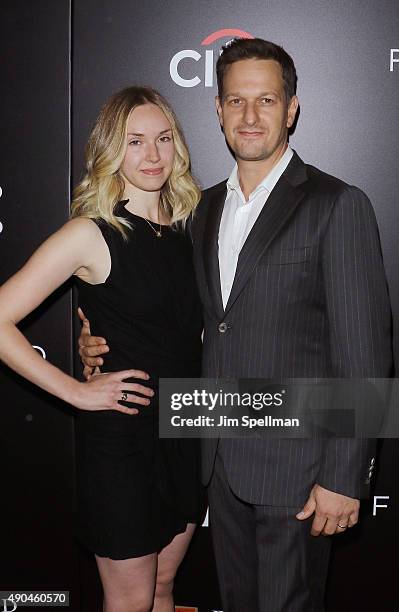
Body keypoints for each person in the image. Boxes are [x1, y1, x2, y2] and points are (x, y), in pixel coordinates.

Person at [79, 40, 393, 611]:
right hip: (214, 459)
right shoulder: (198, 210)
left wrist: (345, 476)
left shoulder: (336, 205)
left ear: (291, 108)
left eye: (266, 100)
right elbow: (166, 311)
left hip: (298, 469)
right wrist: (97, 335)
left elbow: (364, 353)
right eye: (236, 101)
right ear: (219, 111)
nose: (250, 116)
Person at [0, 86, 204, 612]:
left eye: (163, 139)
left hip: (185, 431)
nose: (153, 155)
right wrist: (76, 392)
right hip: (122, 441)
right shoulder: (90, 234)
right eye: (135, 141)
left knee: (163, 588)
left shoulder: (192, 228)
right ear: (112, 149)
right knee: (131, 599)